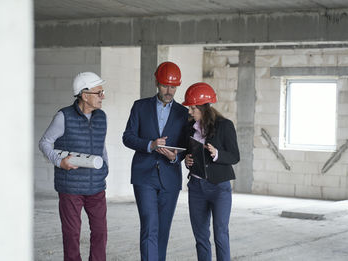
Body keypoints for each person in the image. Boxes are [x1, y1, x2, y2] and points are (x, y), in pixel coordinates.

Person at [122, 61, 189, 261]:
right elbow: (128, 137)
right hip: (144, 175)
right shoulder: (140, 106)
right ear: (157, 83)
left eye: (173, 87)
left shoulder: (184, 113)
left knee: (163, 230)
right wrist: (150, 144)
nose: (169, 91)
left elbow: (187, 146)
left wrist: (176, 156)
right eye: (165, 86)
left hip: (170, 176)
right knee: (150, 226)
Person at [39, 72, 109, 261]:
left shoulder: (102, 117)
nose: (103, 96)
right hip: (70, 187)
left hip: (96, 187)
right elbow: (45, 142)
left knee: (101, 233)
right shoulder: (63, 116)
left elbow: (102, 147)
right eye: (99, 92)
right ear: (84, 95)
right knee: (72, 235)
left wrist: (105, 169)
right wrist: (59, 161)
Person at [182, 82, 240, 261]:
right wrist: (187, 159)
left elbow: (235, 156)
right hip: (197, 187)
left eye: (193, 108)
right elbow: (187, 151)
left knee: (220, 235)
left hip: (219, 188)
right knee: (200, 237)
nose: (190, 112)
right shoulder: (190, 126)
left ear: (204, 107)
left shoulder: (225, 125)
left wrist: (217, 154)